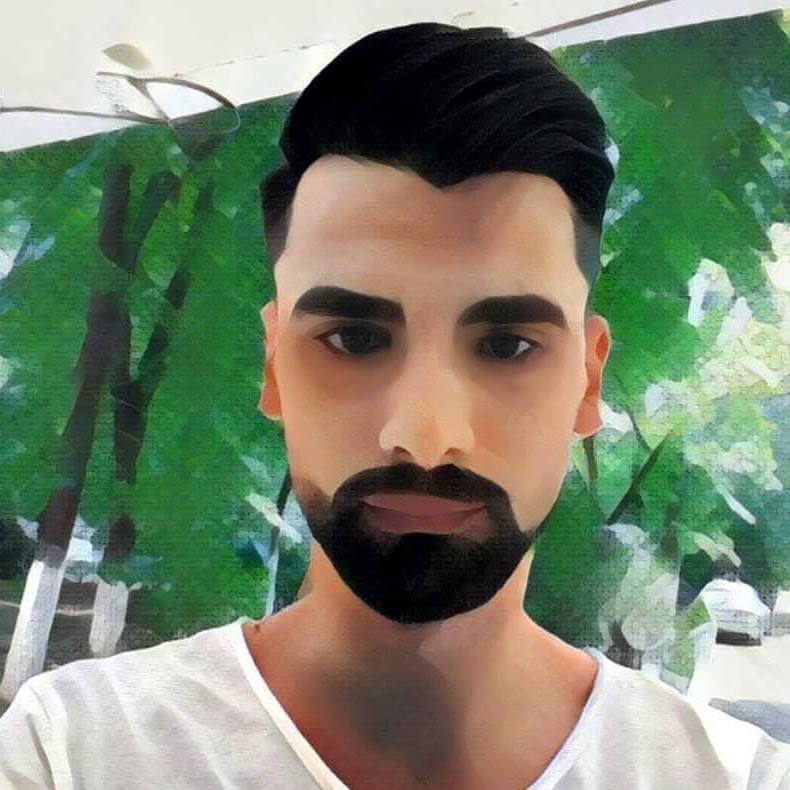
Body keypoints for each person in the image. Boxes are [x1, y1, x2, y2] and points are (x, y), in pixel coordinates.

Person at [2, 22, 789, 790]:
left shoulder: (737, 776)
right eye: (352, 339)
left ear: (587, 381)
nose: (424, 436)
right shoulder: (67, 754)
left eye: (507, 345)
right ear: (274, 366)